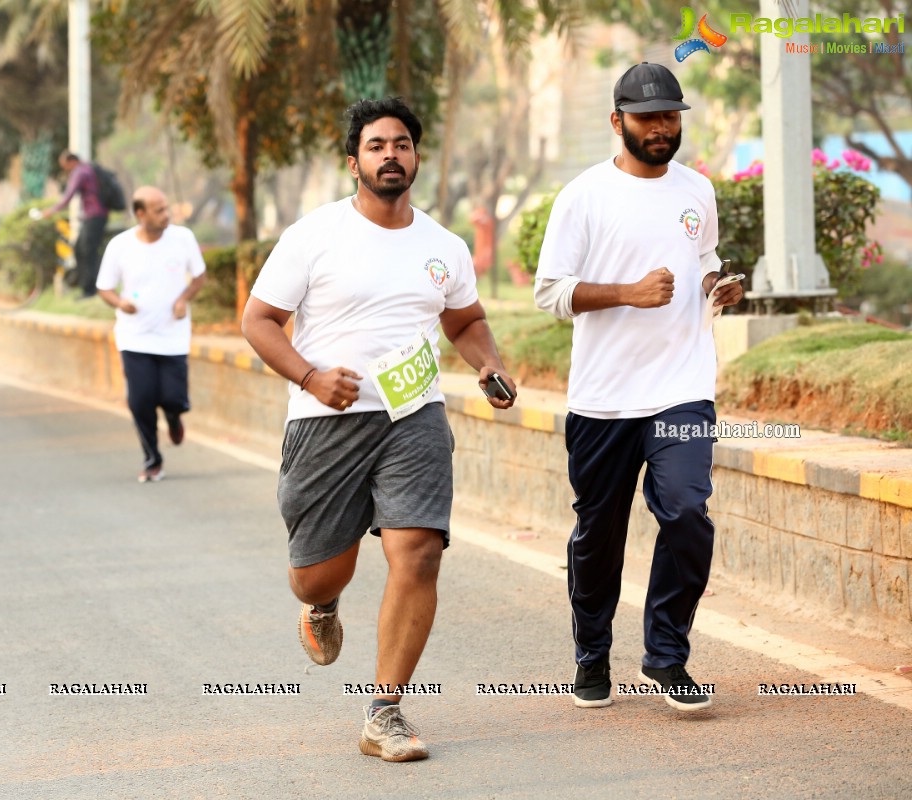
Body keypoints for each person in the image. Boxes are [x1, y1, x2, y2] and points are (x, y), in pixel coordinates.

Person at [242, 97, 516, 762]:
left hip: (412, 415)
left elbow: (464, 320)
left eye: (402, 144)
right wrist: (309, 377)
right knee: (316, 575)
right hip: (326, 421)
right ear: (353, 161)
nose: (391, 154)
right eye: (376, 145)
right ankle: (321, 605)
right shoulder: (314, 236)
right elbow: (258, 321)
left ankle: (385, 712)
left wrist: (488, 364)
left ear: (416, 157)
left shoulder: (443, 247)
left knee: (419, 551)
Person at [533, 62, 744, 712]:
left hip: (682, 386)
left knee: (685, 511)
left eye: (671, 116)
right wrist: (627, 293)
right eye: (648, 116)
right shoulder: (583, 196)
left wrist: (717, 285)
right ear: (617, 121)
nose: (661, 127)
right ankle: (592, 654)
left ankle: (667, 656)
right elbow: (550, 292)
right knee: (600, 533)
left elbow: (702, 260)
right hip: (603, 398)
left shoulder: (697, 191)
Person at [95, 186, 206, 482]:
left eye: (166, 208)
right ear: (140, 213)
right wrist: (120, 303)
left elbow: (199, 276)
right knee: (140, 401)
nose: (166, 215)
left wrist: (183, 299)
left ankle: (173, 416)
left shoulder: (183, 238)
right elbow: (104, 287)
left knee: (173, 398)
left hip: (172, 336)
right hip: (135, 336)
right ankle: (152, 459)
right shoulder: (120, 245)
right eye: (158, 210)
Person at [42, 151, 108, 299]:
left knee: (87, 252)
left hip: (95, 216)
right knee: (81, 250)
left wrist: (51, 211)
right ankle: (88, 288)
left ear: (72, 161)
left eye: (65, 166)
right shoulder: (87, 169)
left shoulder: (80, 172)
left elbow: (68, 195)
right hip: (93, 216)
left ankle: (91, 290)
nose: (66, 169)